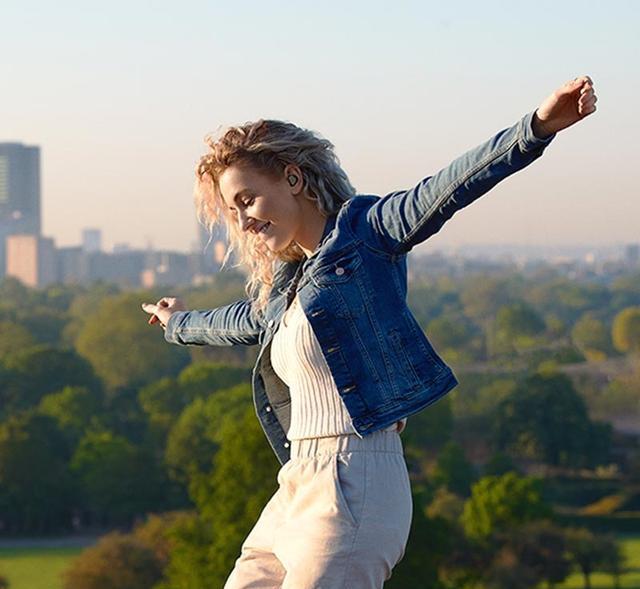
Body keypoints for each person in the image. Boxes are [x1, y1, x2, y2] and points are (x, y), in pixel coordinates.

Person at [142, 75, 597, 588]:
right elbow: (240, 322)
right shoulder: (288, 288)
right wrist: (178, 323)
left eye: (247, 199)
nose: (242, 221)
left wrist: (535, 129)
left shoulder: (368, 237)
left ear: (293, 179)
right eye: (233, 210)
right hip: (297, 481)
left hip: (355, 481)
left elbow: (447, 187)